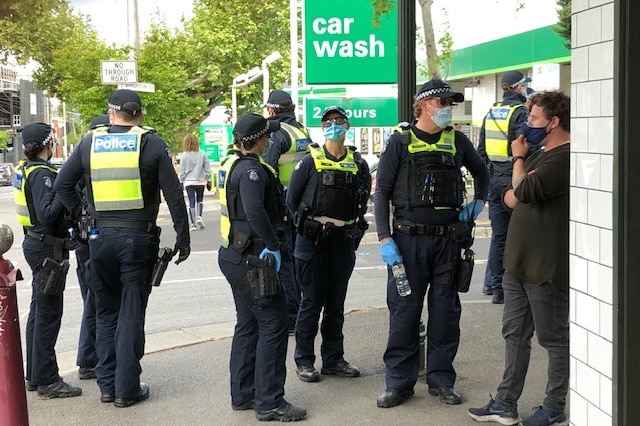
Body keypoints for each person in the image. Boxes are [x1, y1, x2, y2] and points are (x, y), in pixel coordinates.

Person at [54, 89, 191, 408]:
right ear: (139, 115)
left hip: (99, 239)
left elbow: (63, 185)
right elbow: (173, 196)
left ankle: (106, 385)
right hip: (137, 241)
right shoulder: (151, 143)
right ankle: (126, 388)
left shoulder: (90, 142)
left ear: (111, 113)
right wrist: (183, 239)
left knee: (105, 311)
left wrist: (83, 216)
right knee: (130, 312)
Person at [374, 79, 490, 408]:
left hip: (448, 243)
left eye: (450, 103)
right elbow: (381, 193)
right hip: (408, 243)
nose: (448, 109)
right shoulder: (400, 141)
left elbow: (483, 173)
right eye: (443, 103)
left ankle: (441, 379)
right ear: (425, 105)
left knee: (445, 313)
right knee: (404, 314)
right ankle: (399, 383)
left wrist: (478, 204)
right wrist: (385, 238)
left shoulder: (457, 140)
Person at [468, 91, 571, 426]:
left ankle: (554, 407)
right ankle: (505, 403)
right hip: (517, 265)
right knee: (515, 336)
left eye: (535, 119)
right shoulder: (540, 154)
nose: (527, 125)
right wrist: (518, 182)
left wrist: (517, 161)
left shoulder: (563, 158)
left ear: (554, 122)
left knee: (554, 340)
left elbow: (521, 192)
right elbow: (510, 199)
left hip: (545, 267)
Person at [218, 113, 306, 422]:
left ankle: (244, 394)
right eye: (267, 135)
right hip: (253, 258)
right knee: (274, 323)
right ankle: (269, 401)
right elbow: (255, 211)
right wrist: (274, 244)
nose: (271, 138)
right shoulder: (251, 171)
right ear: (259, 139)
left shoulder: (231, 163)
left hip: (234, 253)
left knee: (248, 323)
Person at [286, 105, 371, 384]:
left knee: (336, 305)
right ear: (323, 128)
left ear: (347, 126)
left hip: (342, 242)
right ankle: (304, 361)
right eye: (329, 121)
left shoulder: (358, 164)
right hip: (313, 242)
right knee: (310, 302)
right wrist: (307, 226)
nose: (335, 125)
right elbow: (291, 202)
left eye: (340, 121)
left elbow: (363, 198)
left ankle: (333, 359)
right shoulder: (309, 161)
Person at [15, 122, 82, 398]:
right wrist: (66, 192)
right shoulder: (42, 173)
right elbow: (46, 213)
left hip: (34, 243)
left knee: (38, 311)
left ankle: (35, 376)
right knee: (48, 315)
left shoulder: (24, 169)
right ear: (47, 144)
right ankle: (48, 381)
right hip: (46, 250)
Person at [477, 70, 531, 304]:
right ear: (518, 88)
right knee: (519, 234)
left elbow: (480, 151)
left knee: (499, 235)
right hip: (515, 178)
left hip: (494, 179)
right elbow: (526, 145)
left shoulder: (492, 113)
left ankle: (494, 285)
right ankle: (508, 288)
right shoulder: (520, 113)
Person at [262, 89, 311, 334]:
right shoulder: (302, 131)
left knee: (286, 263)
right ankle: (303, 311)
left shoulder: (277, 134)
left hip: (282, 205)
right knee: (299, 259)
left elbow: (267, 170)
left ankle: (292, 317)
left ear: (271, 110)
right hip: (301, 205)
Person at [75, 113, 111, 382]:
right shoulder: (92, 159)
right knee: (96, 300)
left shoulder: (81, 156)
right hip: (92, 238)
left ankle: (91, 357)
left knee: (93, 298)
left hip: (85, 238)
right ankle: (89, 359)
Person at [178, 133, 212, 231]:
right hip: (200, 181)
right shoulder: (202, 153)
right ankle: (199, 217)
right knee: (200, 200)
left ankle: (192, 224)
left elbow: (182, 171)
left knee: (191, 202)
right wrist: (209, 180)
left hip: (189, 182)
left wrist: (181, 181)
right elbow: (207, 169)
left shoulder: (184, 155)